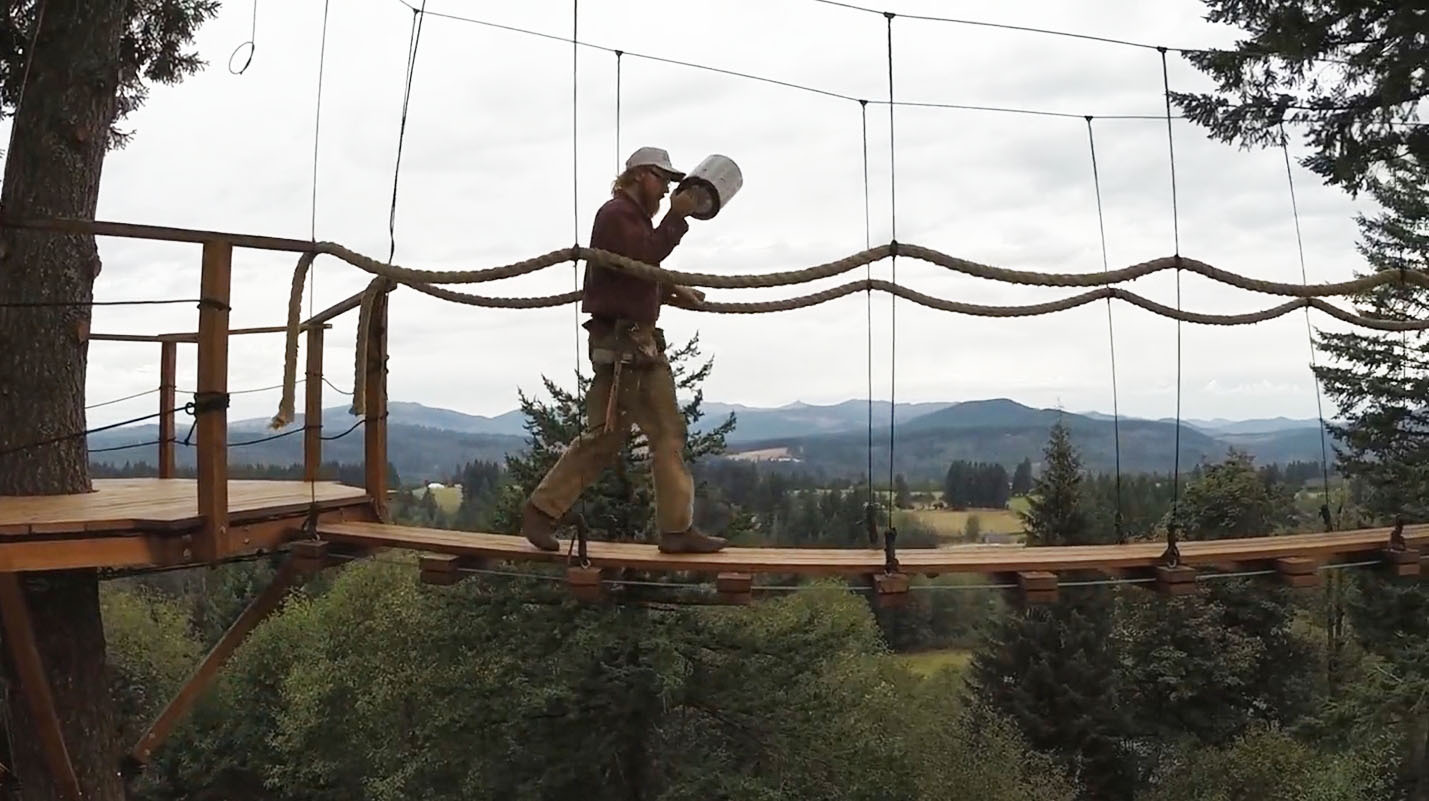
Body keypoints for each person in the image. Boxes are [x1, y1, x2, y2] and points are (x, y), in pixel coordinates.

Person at [520, 146, 729, 554]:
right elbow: (641, 257)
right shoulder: (615, 215)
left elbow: (638, 269)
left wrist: (670, 288)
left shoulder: (629, 220)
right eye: (663, 179)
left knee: (647, 435)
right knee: (626, 437)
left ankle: (672, 528)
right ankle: (544, 514)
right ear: (640, 176)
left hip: (634, 345)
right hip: (624, 347)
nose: (668, 188)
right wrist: (677, 217)